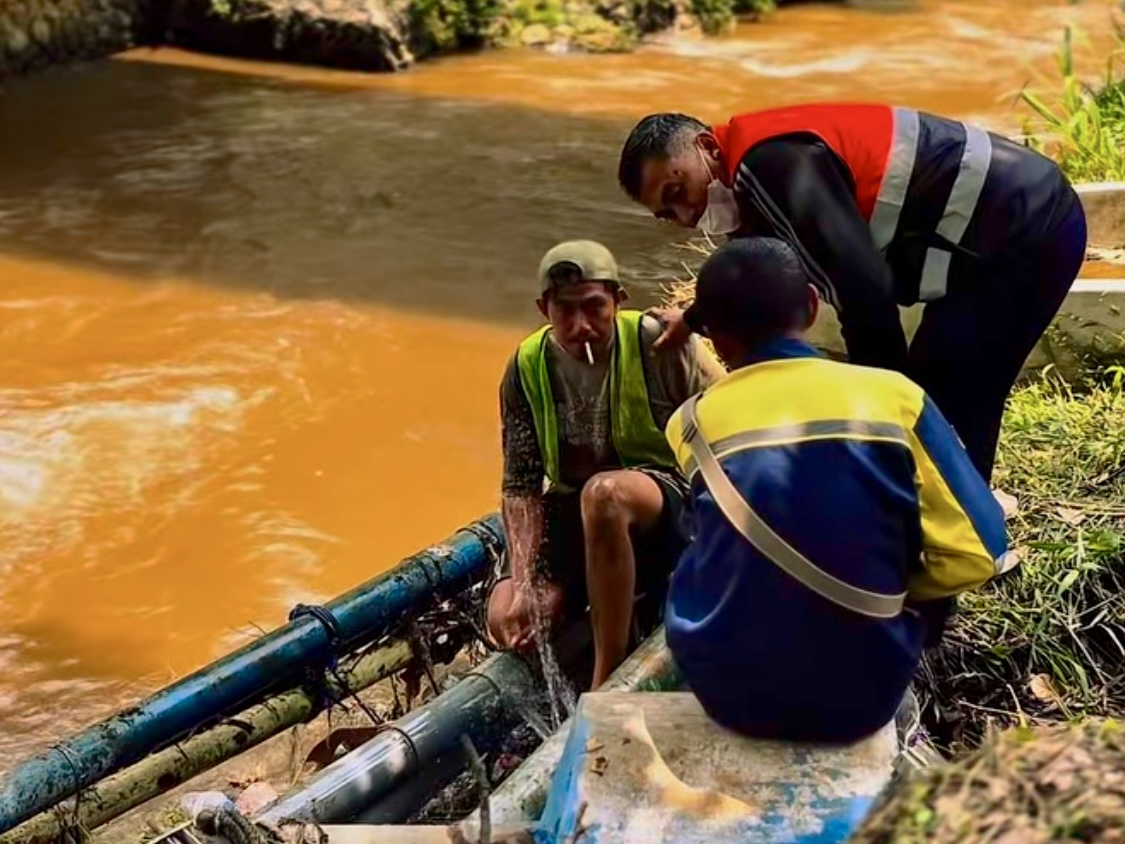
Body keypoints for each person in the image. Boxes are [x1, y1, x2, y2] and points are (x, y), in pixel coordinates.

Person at [617, 104, 1088, 482]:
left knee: (952, 389)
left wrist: (872, 415)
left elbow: (865, 297)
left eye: (677, 190)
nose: (685, 215)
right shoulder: (754, 174)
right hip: (997, 232)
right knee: (934, 391)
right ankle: (945, 522)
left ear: (705, 147)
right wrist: (694, 318)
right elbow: (753, 268)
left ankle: (967, 542)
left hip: (1029, 228)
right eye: (667, 213)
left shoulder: (771, 163)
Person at [662, 236, 1013, 744]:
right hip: (860, 700)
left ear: (715, 340)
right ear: (810, 305)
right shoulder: (895, 396)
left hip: (725, 694)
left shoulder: (689, 424)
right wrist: (885, 588)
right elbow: (982, 552)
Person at [487, 239, 725, 688]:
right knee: (505, 616)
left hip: (665, 502)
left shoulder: (658, 341)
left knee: (606, 496)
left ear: (619, 300)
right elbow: (520, 484)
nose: (581, 327)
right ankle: (561, 635)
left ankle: (607, 677)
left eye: (595, 308)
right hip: (574, 508)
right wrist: (524, 579)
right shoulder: (526, 366)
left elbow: (730, 421)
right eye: (565, 311)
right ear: (544, 309)